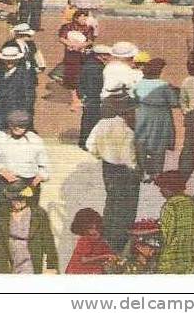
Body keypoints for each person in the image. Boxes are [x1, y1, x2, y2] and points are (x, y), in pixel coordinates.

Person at [85, 100, 140, 251]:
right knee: (126, 207)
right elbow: (129, 158)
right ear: (126, 113)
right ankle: (119, 241)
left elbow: (90, 145)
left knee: (111, 201)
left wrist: (101, 155)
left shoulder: (102, 124)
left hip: (107, 168)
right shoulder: (127, 132)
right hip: (125, 171)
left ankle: (107, 235)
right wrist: (138, 171)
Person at [0, 182, 59, 274]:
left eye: (21, 199)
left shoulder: (38, 214)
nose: (17, 202)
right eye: (14, 199)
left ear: (26, 198)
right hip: (7, 260)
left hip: (29, 259)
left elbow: (48, 240)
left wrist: (52, 266)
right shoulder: (2, 213)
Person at [0, 109, 49, 217]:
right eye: (13, 125)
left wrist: (41, 176)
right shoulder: (0, 137)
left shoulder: (35, 140)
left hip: (29, 183)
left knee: (29, 217)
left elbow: (44, 165)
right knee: (1, 215)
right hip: (5, 181)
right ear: (9, 124)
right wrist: (1, 170)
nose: (17, 128)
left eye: (21, 126)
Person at [132, 58, 179, 180]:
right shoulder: (164, 86)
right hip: (160, 116)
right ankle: (156, 173)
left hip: (142, 113)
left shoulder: (139, 83)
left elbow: (133, 98)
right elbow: (174, 102)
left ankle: (141, 171)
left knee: (141, 142)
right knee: (159, 144)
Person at [154, 171, 194, 274]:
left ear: (170, 187)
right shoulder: (191, 204)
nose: (160, 191)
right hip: (192, 257)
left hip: (172, 259)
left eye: (162, 187)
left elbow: (166, 235)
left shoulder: (170, 206)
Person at [0, 46, 35, 133]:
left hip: (16, 109)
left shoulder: (25, 73)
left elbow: (29, 94)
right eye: (6, 59)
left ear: (17, 59)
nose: (9, 62)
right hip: (0, 108)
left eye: (12, 59)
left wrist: (25, 111)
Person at [77, 45, 110, 150]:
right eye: (106, 55)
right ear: (100, 55)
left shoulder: (88, 64)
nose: (108, 57)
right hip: (94, 96)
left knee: (87, 119)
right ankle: (87, 143)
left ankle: (84, 142)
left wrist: (82, 95)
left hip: (88, 96)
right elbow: (97, 84)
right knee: (92, 120)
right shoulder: (98, 67)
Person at [66, 208, 116, 274]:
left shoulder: (100, 241)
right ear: (83, 229)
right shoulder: (85, 240)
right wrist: (105, 256)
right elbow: (84, 259)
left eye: (97, 227)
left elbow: (109, 253)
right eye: (90, 228)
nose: (94, 231)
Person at [58, 9, 96, 90]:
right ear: (76, 18)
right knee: (70, 66)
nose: (84, 20)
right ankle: (68, 83)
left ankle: (80, 83)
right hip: (70, 51)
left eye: (85, 18)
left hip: (82, 51)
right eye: (82, 18)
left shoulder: (89, 28)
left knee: (81, 66)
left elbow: (90, 40)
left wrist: (80, 46)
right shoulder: (67, 26)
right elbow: (61, 38)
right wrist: (71, 44)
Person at [178, 58, 194, 181]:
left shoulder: (187, 81)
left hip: (192, 115)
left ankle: (183, 176)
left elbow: (182, 101)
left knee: (189, 146)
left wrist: (186, 112)